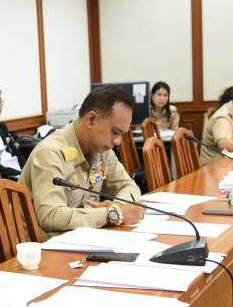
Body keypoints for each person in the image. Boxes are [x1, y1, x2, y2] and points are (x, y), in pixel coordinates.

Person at [20, 86, 143, 239]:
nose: (118, 141)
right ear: (91, 120)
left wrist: (117, 208)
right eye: (115, 132)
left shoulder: (101, 150)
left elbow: (129, 186)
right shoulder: (50, 152)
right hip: (43, 247)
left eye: (122, 134)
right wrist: (111, 214)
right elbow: (50, 215)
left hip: (82, 240)